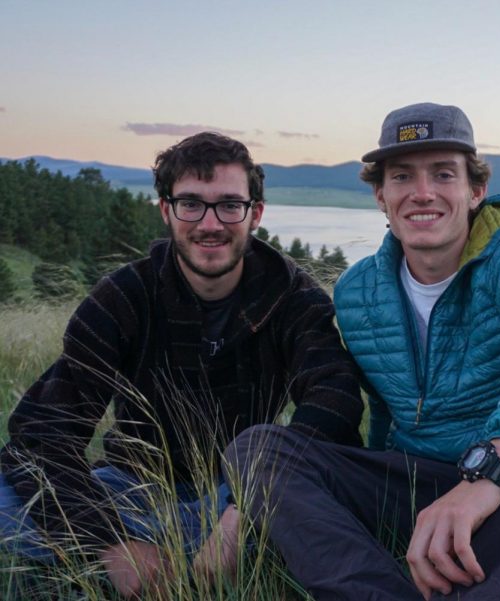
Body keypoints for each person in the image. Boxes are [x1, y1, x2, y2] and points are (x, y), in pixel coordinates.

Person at [226, 103, 500, 599]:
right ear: (381, 195)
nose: (422, 193)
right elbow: (385, 416)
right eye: (402, 177)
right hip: (423, 488)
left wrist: (488, 471)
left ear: (476, 190)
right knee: (258, 450)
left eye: (443, 174)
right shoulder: (360, 292)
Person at [0, 132, 364, 597]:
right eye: (191, 203)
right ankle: (129, 564)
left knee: (336, 510)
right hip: (131, 492)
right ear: (166, 210)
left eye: (229, 205)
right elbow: (42, 432)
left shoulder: (292, 299)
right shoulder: (123, 297)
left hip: (243, 500)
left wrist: (242, 509)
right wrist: (112, 543)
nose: (210, 223)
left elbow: (334, 401)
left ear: (255, 214)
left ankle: (212, 558)